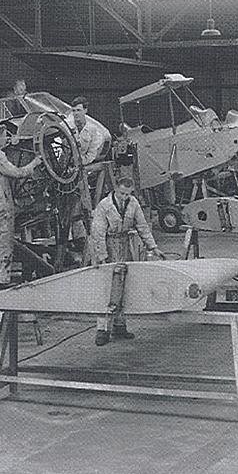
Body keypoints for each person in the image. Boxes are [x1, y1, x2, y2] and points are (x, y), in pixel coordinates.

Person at [90, 177, 166, 346]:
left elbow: (142, 226)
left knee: (124, 286)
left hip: (125, 244)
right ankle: (102, 330)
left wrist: (153, 247)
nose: (124, 197)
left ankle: (119, 326)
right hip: (109, 245)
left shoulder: (133, 203)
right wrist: (103, 257)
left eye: (127, 194)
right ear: (116, 189)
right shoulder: (104, 205)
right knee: (108, 290)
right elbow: (97, 233)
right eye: (122, 193)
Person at [0, 123, 41, 290]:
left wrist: (12, 141)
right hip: (1, 203)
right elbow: (17, 173)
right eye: (4, 136)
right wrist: (35, 162)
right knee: (4, 242)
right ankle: (0, 280)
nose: (6, 138)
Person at [71, 96, 110, 166]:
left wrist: (80, 163)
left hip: (82, 165)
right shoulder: (67, 125)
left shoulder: (92, 130)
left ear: (85, 110)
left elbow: (92, 153)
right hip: (66, 165)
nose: (76, 113)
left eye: (78, 110)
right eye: (73, 110)